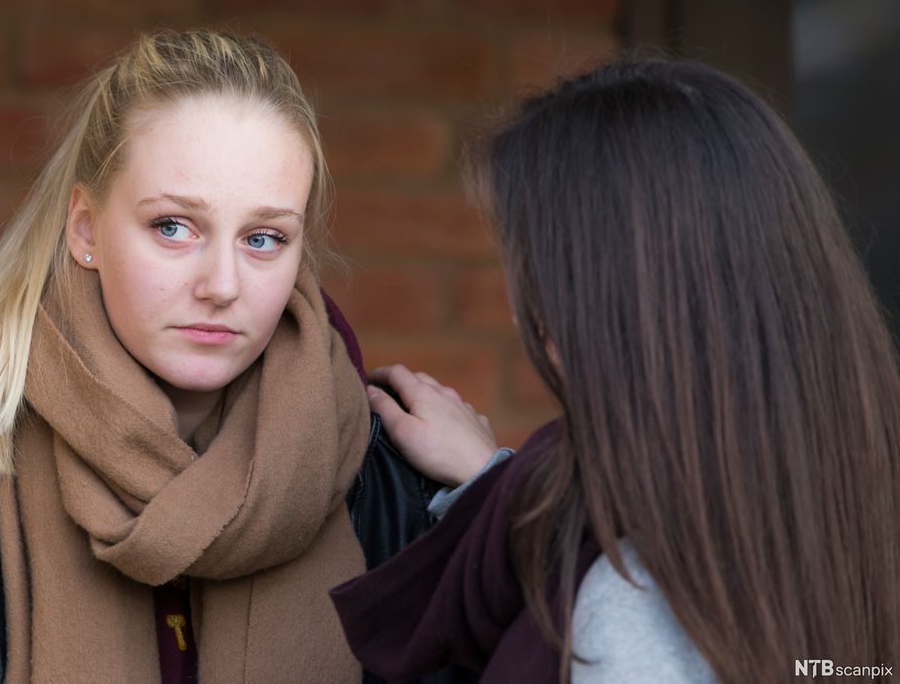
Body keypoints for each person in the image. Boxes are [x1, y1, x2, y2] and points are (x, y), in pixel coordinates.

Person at [0, 30, 499, 684]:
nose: (222, 285)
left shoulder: (394, 486)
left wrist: (496, 496)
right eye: (174, 226)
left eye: (263, 238)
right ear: (86, 229)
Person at [332, 58, 900, 683]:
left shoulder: (628, 614)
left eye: (535, 278)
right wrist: (492, 485)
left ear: (603, 308)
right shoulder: (831, 520)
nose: (530, 323)